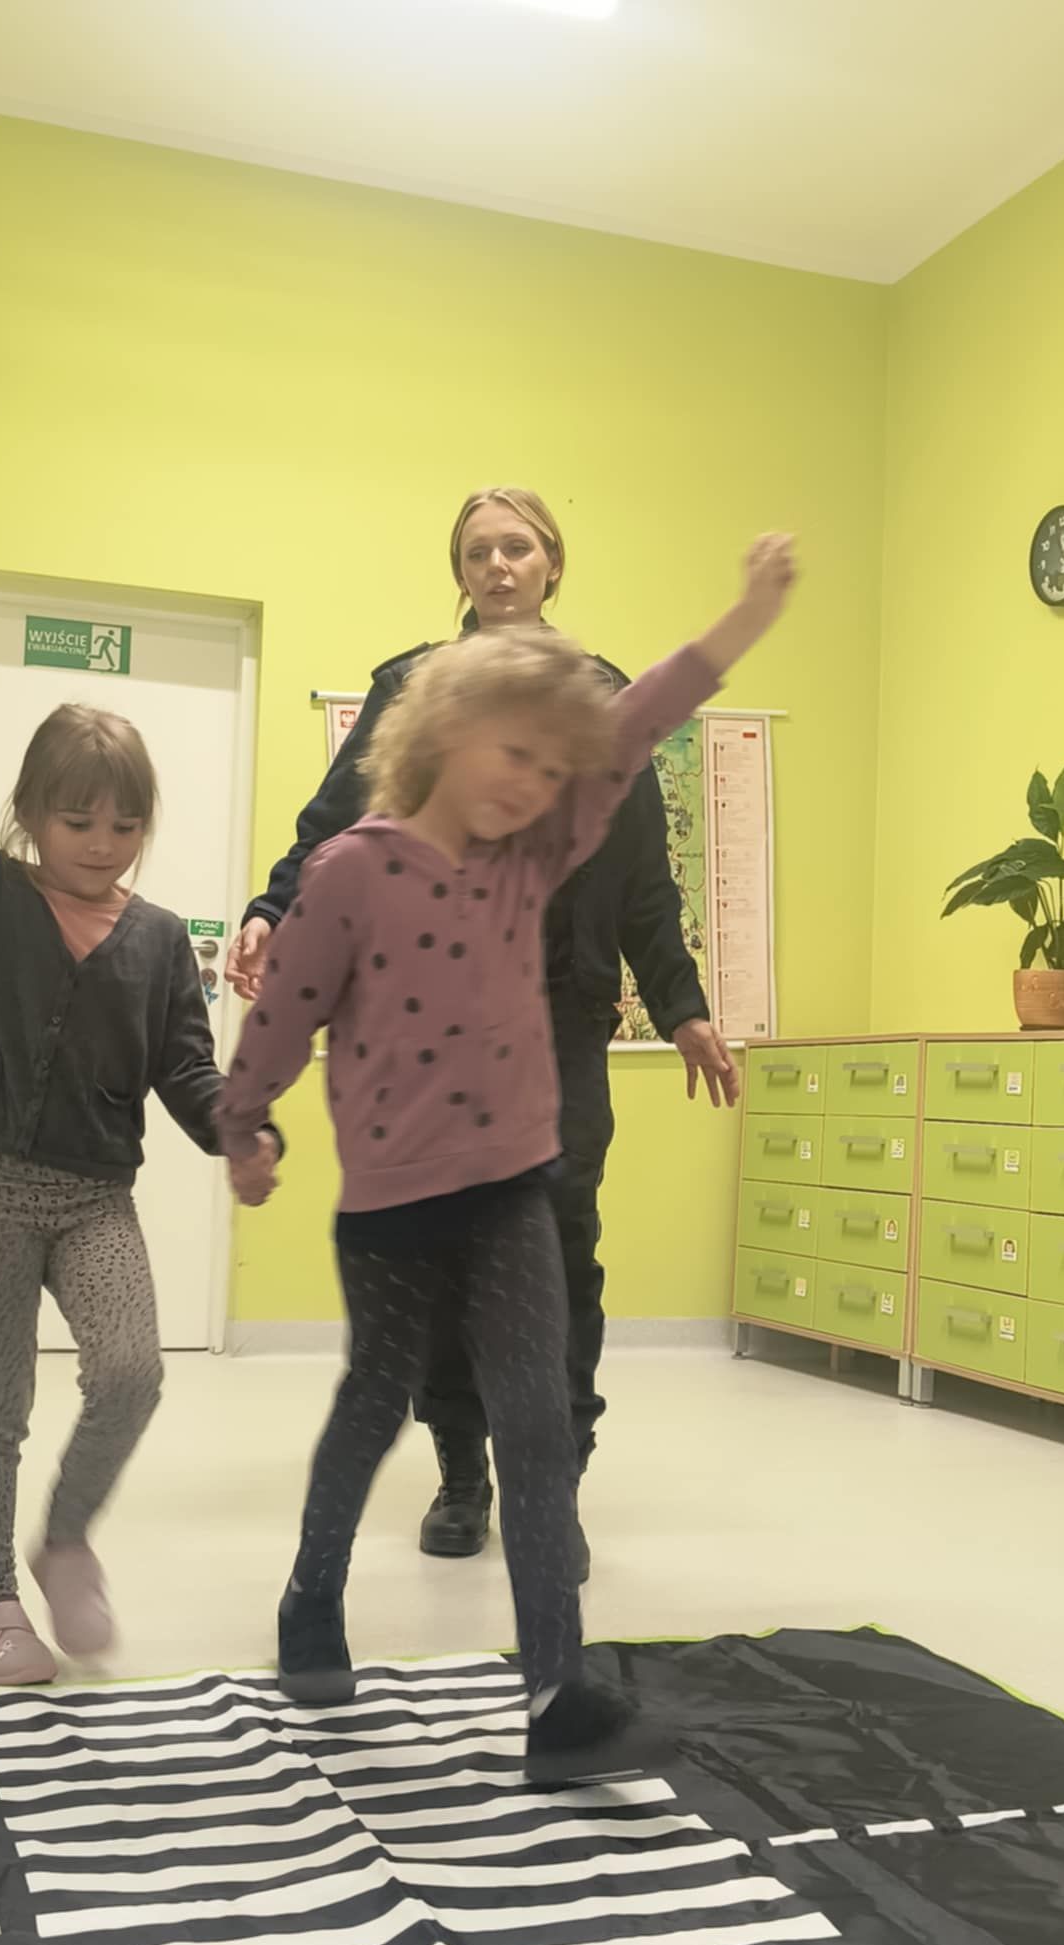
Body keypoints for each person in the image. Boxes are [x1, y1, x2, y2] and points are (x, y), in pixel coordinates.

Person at [219, 534, 795, 1785]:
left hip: (513, 1192)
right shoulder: (352, 869)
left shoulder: (536, 853)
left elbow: (638, 725)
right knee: (375, 1403)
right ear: (441, 733)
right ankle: (312, 1597)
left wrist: (741, 620)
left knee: (534, 1426)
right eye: (513, 754)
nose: (536, 782)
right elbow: (285, 1013)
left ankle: (557, 1698)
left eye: (549, 764)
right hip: (392, 1209)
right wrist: (245, 1123)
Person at [0, 566, 281, 1686]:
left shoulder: (159, 941)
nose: (101, 841)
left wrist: (241, 1131)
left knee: (132, 1372)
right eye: (77, 818)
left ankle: (64, 1539)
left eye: (125, 823)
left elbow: (186, 1070)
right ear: (31, 815)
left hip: (96, 1199)